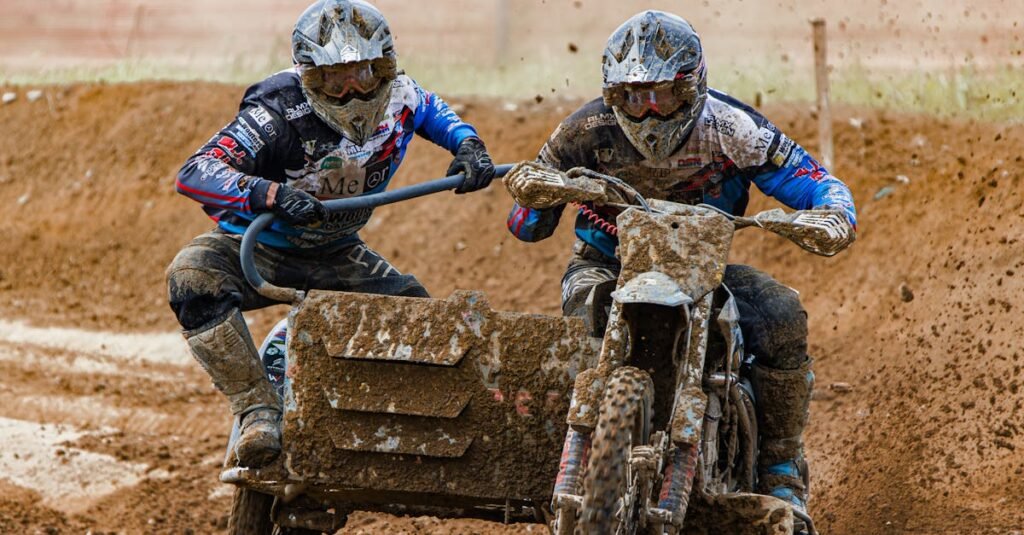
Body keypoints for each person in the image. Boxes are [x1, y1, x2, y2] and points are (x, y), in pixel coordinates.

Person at [504, 10, 856, 529]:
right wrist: (534, 195)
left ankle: (780, 466)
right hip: (607, 265)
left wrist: (833, 213)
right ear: (612, 94)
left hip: (703, 271)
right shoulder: (584, 130)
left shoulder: (732, 127)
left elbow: (811, 179)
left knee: (781, 314)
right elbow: (526, 224)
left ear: (691, 87)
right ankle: (565, 447)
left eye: (662, 96)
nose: (647, 114)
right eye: (632, 96)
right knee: (580, 324)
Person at [166, 0, 495, 469]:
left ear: (384, 67)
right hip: (259, 245)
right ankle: (257, 408)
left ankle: (389, 430)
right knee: (191, 277)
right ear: (309, 76)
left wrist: (469, 146)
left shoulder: (401, 94)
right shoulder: (277, 108)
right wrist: (269, 193)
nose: (352, 92)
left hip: (338, 252)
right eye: (334, 79)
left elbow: (438, 113)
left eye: (363, 74)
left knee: (424, 324)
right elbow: (196, 171)